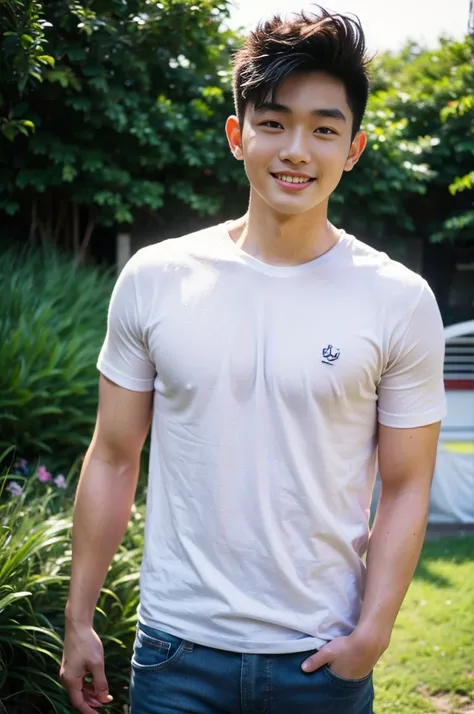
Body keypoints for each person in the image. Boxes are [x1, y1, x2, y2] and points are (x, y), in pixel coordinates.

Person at [60, 7, 447, 714]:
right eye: (273, 122)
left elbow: (407, 486)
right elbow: (113, 455)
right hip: (176, 649)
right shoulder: (155, 277)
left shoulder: (399, 300)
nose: (297, 149)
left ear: (353, 147)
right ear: (238, 135)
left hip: (321, 658)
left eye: (324, 129)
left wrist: (373, 633)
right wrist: (79, 618)